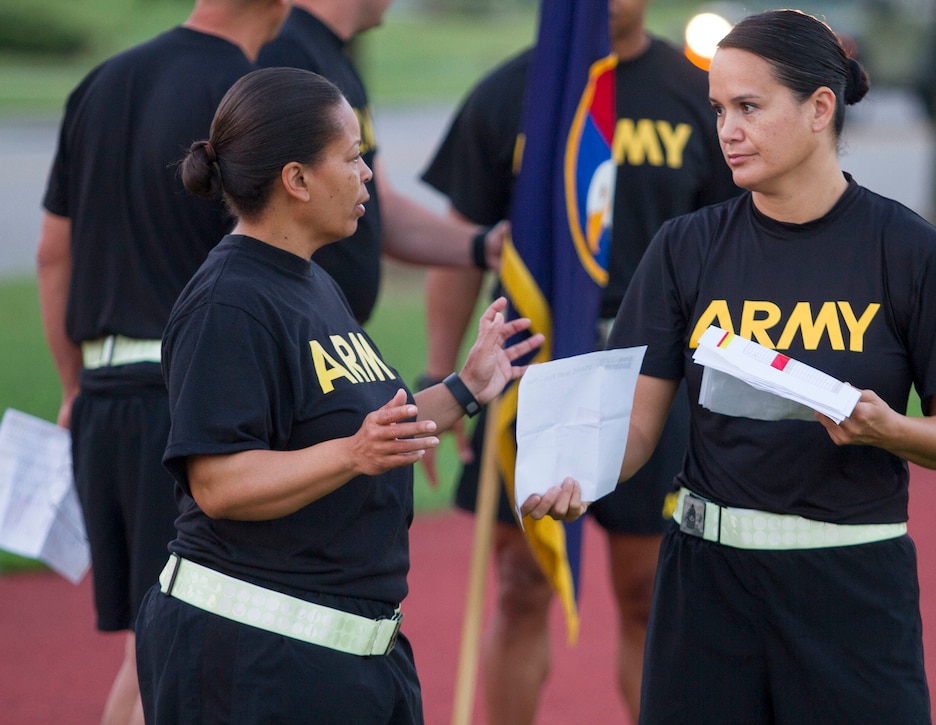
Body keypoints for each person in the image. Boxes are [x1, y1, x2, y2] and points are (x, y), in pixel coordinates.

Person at [522, 9, 936, 724]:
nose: (727, 131)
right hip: (706, 588)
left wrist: (888, 428)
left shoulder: (911, 250)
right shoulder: (685, 247)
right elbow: (640, 431)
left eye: (749, 107)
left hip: (853, 587)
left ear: (819, 109)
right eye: (718, 109)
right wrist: (576, 475)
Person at [133, 66, 543, 723]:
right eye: (352, 157)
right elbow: (218, 482)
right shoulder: (228, 301)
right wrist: (352, 453)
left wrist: (467, 387)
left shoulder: (311, 282)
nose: (368, 174)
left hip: (345, 658)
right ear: (296, 179)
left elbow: (371, 432)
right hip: (250, 660)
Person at [419, 0, 739, 721]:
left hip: (656, 375)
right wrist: (441, 379)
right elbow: (461, 248)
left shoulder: (699, 94)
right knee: (519, 583)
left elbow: (736, 247)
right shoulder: (514, 92)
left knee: (648, 589)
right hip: (529, 369)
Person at [35, 2, 291, 722]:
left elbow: (53, 253)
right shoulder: (253, 98)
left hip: (104, 397)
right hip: (191, 406)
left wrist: (72, 386)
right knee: (185, 652)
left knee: (152, 648)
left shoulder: (103, 81)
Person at [258, 0, 504, 324]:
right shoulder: (286, 55)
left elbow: (377, 204)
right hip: (297, 337)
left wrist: (486, 246)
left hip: (333, 336)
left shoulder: (334, 57)